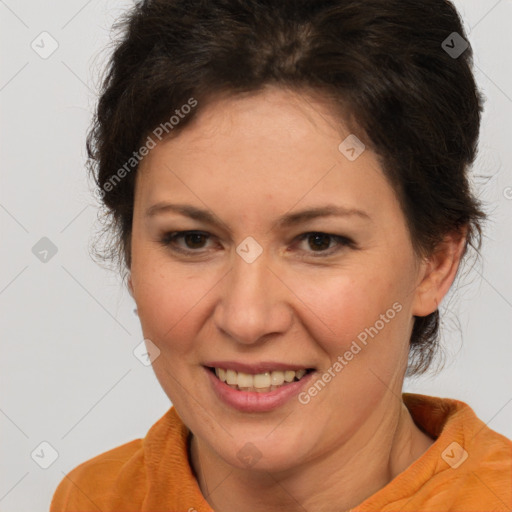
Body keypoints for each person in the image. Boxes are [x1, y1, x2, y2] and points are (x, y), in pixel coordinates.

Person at [50, 0, 512, 510]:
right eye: (192, 239)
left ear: (436, 262)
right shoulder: (92, 498)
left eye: (319, 241)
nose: (247, 319)